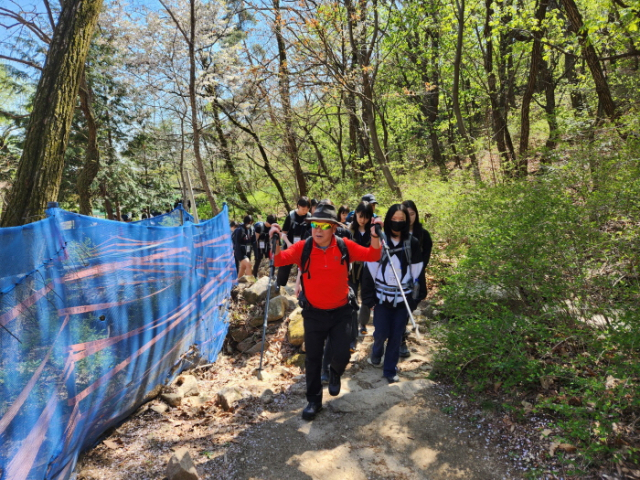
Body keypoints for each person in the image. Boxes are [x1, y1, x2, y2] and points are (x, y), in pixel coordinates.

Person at [269, 203, 382, 420]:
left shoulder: (344, 246)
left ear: (333, 227)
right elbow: (277, 260)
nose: (317, 229)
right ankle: (314, 401)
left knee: (341, 353)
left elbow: (373, 255)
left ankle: (335, 372)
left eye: (323, 225)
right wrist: (274, 239)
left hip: (340, 311)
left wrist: (375, 235)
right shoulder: (303, 247)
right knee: (313, 358)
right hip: (313, 313)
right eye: (314, 225)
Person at [361, 204, 426, 383]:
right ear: (388, 221)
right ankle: (376, 350)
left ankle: (390, 369)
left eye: (401, 220)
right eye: (394, 219)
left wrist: (413, 302)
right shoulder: (379, 243)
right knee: (381, 332)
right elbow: (369, 272)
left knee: (396, 335)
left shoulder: (411, 244)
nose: (397, 223)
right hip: (381, 299)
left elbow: (418, 275)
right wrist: (369, 300)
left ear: (406, 222)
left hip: (402, 299)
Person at [399, 200, 433, 357]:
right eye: (406, 214)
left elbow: (426, 252)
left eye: (412, 214)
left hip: (416, 275)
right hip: (399, 275)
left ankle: (399, 325)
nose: (409, 217)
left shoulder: (423, 234)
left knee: (417, 297)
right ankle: (400, 339)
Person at [276, 197, 311, 287]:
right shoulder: (291, 216)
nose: (305, 211)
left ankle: (304, 291)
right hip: (289, 246)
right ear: (298, 206)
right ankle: (279, 287)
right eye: (303, 209)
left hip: (303, 247)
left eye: (307, 209)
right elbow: (283, 233)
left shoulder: (309, 217)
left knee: (305, 268)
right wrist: (288, 243)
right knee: (284, 268)